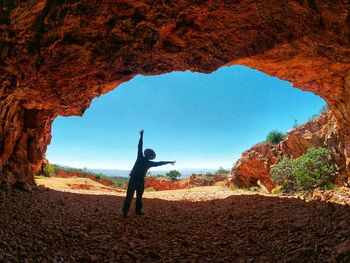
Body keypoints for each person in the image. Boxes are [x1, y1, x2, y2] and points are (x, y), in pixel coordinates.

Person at [122, 129, 175, 217]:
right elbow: (140, 146)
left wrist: (169, 162)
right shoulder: (146, 161)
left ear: (148, 155)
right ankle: (129, 211)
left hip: (138, 181)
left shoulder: (144, 160)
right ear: (150, 156)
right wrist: (141, 136)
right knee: (133, 196)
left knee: (133, 196)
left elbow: (159, 162)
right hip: (136, 180)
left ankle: (132, 211)